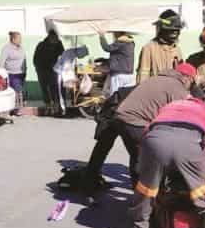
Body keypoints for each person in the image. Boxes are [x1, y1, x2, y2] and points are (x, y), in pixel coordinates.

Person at [129, 95, 205, 228]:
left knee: (147, 188)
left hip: (156, 142)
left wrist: (143, 166)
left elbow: (146, 133)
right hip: (188, 146)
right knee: (200, 192)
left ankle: (140, 227)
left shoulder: (169, 107)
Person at [82, 63, 197, 192]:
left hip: (119, 114)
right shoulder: (177, 88)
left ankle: (134, 193)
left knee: (135, 155)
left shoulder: (157, 78)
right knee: (145, 160)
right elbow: (186, 113)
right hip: (132, 120)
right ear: (187, 78)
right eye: (191, 82)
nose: (190, 86)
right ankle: (142, 199)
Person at [136, 10, 183, 83]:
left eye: (177, 30)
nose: (175, 33)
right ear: (162, 29)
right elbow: (142, 78)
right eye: (171, 30)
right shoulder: (149, 48)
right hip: (155, 92)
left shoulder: (177, 49)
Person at [93, 25, 136, 96]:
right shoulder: (130, 43)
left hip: (119, 75)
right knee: (125, 97)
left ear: (118, 33)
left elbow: (107, 48)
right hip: (129, 75)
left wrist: (101, 36)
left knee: (115, 97)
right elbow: (120, 58)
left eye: (114, 33)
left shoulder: (121, 42)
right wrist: (104, 60)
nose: (113, 34)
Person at [33, 30, 65, 115]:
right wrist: (38, 69)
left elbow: (63, 55)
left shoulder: (58, 44)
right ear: (51, 37)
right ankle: (48, 106)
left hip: (54, 70)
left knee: (55, 89)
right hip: (42, 70)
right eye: (55, 38)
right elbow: (36, 58)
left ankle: (56, 107)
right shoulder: (42, 45)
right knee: (45, 89)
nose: (56, 40)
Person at [0, 31, 27, 115]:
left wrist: (25, 70)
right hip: (11, 74)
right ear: (13, 39)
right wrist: (1, 74)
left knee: (19, 91)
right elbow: (1, 62)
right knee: (16, 91)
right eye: (19, 39)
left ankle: (18, 108)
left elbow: (24, 59)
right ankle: (15, 109)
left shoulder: (21, 48)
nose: (20, 40)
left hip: (20, 73)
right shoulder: (6, 48)